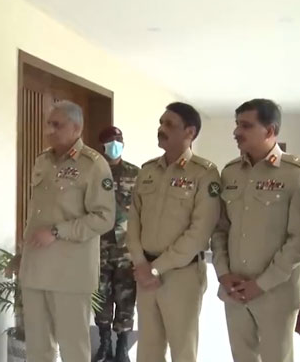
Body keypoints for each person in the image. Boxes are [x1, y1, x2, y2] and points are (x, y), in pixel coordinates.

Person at [211, 98, 300, 362]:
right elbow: (220, 229)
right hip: (234, 289)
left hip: (276, 292)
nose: (236, 132)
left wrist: (261, 284)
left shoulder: (297, 172)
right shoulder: (231, 172)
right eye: (237, 125)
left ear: (269, 131)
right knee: (242, 357)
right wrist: (223, 273)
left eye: (245, 126)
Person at [19, 100, 116, 362]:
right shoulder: (42, 161)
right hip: (36, 267)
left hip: (70, 273)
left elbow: (104, 217)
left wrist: (57, 231)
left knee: (73, 348)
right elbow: (36, 214)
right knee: (38, 348)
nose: (49, 130)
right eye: (48, 124)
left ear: (76, 128)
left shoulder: (93, 165)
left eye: (57, 125)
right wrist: (22, 256)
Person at [126, 102, 220, 362]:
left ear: (189, 132)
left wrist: (156, 268)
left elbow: (199, 232)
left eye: (169, 124)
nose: (161, 128)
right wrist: (141, 263)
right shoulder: (147, 171)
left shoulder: (204, 173)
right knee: (148, 350)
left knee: (182, 350)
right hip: (145, 272)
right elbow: (133, 220)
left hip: (182, 275)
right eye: (161, 122)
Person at [92, 126, 139, 362]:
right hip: (97, 248)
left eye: (118, 140)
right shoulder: (93, 173)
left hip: (126, 249)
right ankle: (104, 344)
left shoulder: (136, 173)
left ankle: (122, 347)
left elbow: (144, 212)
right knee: (100, 298)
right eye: (110, 141)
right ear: (103, 145)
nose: (114, 145)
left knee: (126, 298)